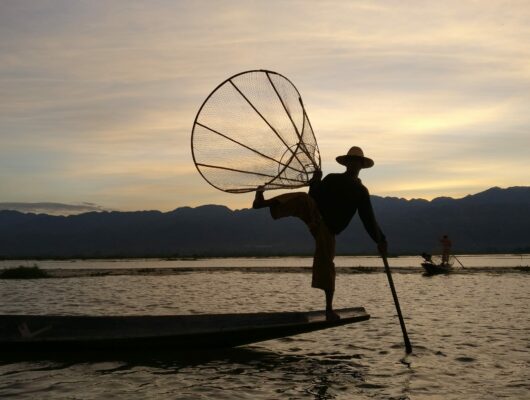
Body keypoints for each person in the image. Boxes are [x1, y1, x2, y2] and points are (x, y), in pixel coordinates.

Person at [253, 146, 387, 320]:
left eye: (357, 162)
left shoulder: (361, 191)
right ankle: (261, 203)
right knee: (302, 199)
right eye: (351, 161)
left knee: (326, 263)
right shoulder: (332, 179)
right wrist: (316, 181)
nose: (353, 165)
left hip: (329, 230)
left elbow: (368, 218)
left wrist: (380, 239)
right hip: (316, 216)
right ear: (346, 163)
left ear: (361, 165)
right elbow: (314, 196)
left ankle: (329, 309)